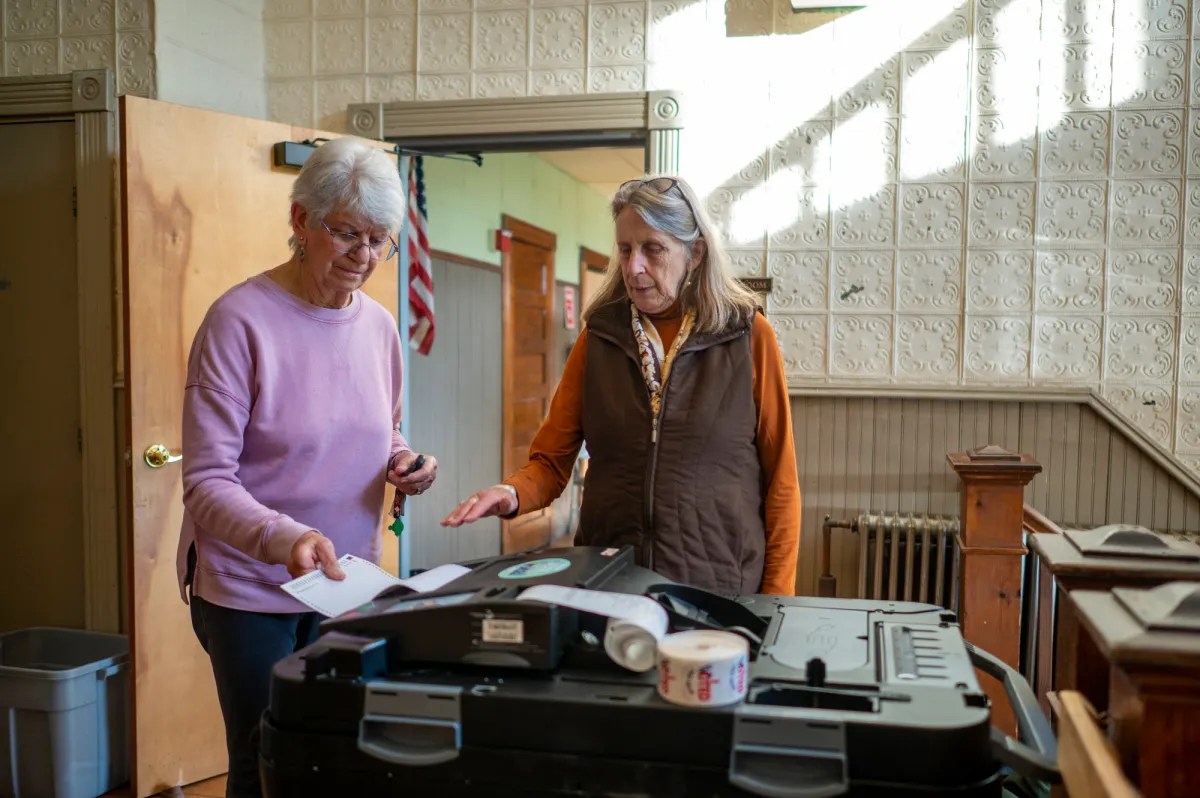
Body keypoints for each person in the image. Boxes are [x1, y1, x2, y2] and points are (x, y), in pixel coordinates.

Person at [175, 137, 438, 798]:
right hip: (250, 588)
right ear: (300, 221)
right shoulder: (239, 322)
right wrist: (284, 538)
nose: (366, 256)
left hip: (346, 581)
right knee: (266, 758)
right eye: (348, 233)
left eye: (381, 239)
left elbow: (382, 426)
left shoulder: (379, 328)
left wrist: (402, 460)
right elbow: (205, 484)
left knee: (339, 754)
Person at [443, 176, 801, 596]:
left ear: (695, 253)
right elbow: (551, 462)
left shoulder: (748, 337)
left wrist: (776, 602)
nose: (634, 267)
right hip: (611, 583)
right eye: (625, 249)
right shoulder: (600, 338)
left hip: (717, 590)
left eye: (653, 249)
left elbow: (781, 485)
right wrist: (511, 493)